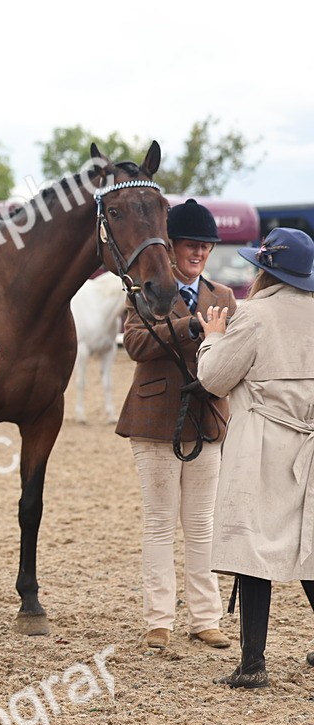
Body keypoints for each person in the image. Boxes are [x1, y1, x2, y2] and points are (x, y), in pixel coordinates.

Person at [197, 227, 314, 689]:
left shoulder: (253, 316)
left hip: (263, 442)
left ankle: (252, 664)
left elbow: (213, 379)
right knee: (309, 548)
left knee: (252, 549)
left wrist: (212, 337)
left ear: (265, 270)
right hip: (309, 441)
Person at [116, 199, 236, 650]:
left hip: (207, 418)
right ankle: (158, 619)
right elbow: (135, 343)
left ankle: (205, 618)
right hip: (154, 419)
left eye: (205, 246)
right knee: (160, 522)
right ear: (171, 248)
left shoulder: (223, 297)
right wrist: (188, 327)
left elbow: (234, 354)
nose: (199, 253)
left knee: (202, 523)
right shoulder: (146, 290)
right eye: (191, 245)